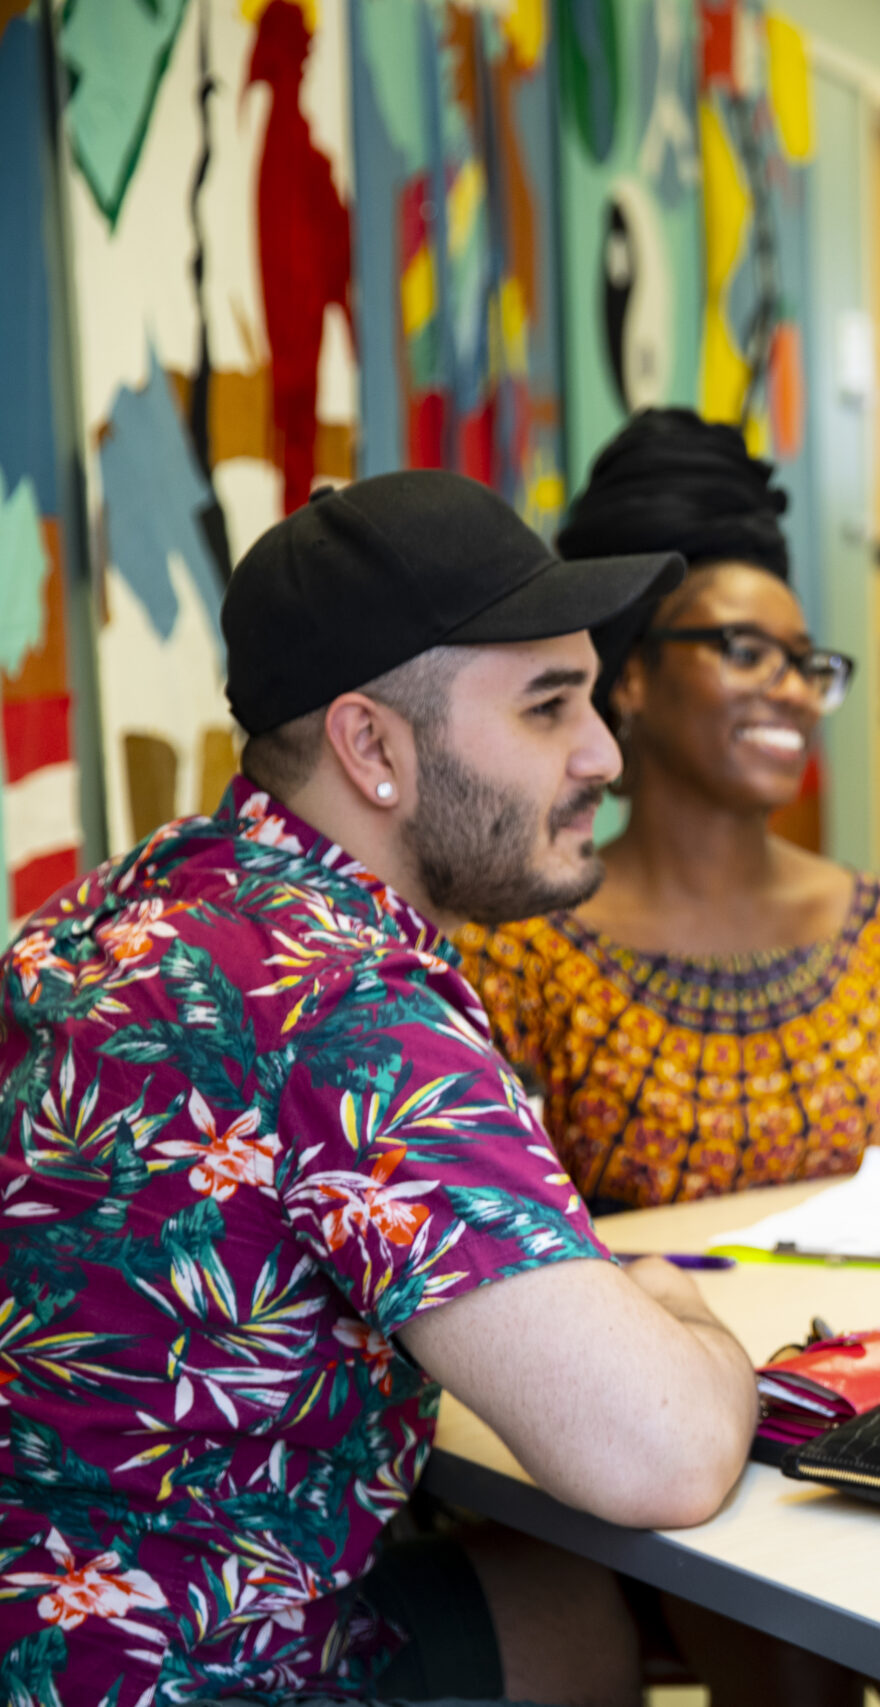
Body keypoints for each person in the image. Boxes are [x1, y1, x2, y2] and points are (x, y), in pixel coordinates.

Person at [0, 471, 761, 1705]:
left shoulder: (142, 898)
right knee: (588, 1594)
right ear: (370, 746)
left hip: (46, 1609)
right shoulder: (336, 1007)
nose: (604, 754)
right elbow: (657, 1452)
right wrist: (688, 1319)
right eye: (547, 708)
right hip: (179, 1667)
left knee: (543, 1588)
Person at [455, 409, 880, 1221]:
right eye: (744, 652)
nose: (792, 688)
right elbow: (499, 1250)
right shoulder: (522, 956)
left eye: (807, 663)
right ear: (630, 679)